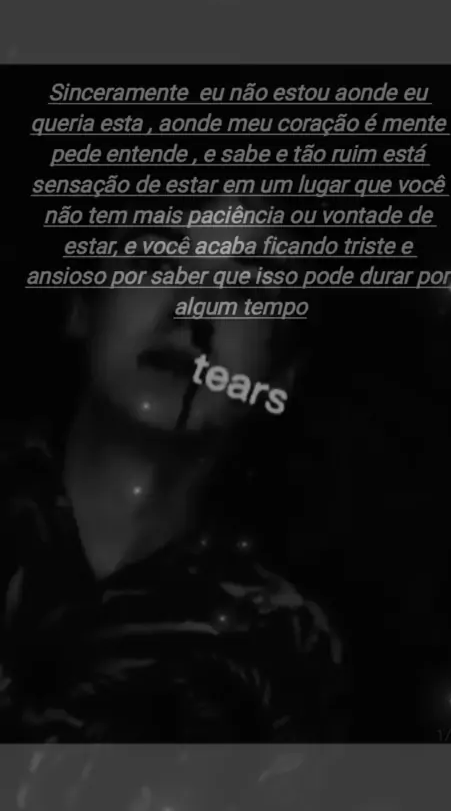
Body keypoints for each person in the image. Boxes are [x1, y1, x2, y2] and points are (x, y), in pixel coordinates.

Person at [0, 196, 348, 744]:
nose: (193, 310)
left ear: (280, 375)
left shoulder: (285, 647)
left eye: (246, 290)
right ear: (82, 306)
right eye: (155, 263)